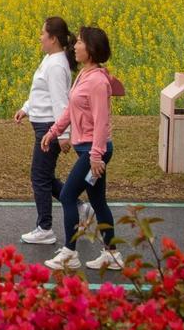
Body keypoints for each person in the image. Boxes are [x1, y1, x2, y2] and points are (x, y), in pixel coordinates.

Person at [40, 26, 126, 271]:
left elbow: (102, 121)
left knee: (67, 195)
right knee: (98, 202)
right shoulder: (86, 75)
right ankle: (112, 254)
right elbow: (70, 109)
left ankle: (70, 252)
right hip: (88, 149)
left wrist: (97, 156)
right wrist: (53, 132)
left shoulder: (97, 81)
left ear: (91, 49)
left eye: (79, 42)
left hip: (93, 151)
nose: (74, 46)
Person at [13, 16, 88, 245]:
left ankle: (45, 228)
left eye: (43, 34)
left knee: (39, 177)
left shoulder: (56, 64)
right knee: (44, 176)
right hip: (44, 125)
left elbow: (60, 101)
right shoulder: (51, 59)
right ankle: (81, 207)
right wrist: (26, 108)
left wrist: (62, 135)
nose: (40, 37)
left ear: (53, 39)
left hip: (49, 129)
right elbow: (40, 93)